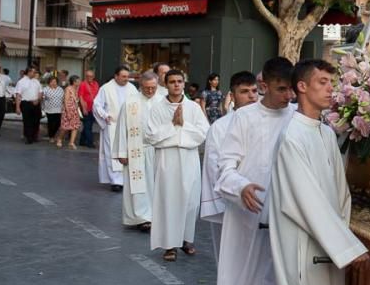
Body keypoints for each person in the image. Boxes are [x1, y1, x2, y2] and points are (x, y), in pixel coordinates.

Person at [267, 59, 369, 285]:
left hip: (330, 244)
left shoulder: (325, 133)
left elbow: (340, 194)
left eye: (331, 83)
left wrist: (342, 234)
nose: (330, 90)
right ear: (301, 87)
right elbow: (303, 199)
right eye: (322, 82)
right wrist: (345, 246)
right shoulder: (291, 137)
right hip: (304, 245)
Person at [208, 63, 293, 285]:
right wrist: (241, 186)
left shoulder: (297, 117)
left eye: (291, 88)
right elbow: (225, 167)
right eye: (282, 88)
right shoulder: (243, 118)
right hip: (246, 216)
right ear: (264, 86)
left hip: (284, 217)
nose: (288, 95)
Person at [201, 69, 266, 260]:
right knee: (230, 259)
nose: (251, 96)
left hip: (262, 202)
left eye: (254, 91)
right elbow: (215, 168)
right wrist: (236, 193)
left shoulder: (266, 122)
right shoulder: (220, 127)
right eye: (244, 92)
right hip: (231, 204)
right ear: (232, 95)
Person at [146, 69, 208, 261]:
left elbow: (203, 133)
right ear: (166, 84)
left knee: (190, 201)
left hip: (188, 159)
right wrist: (173, 125)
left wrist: (183, 125)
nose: (176, 85)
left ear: (184, 83)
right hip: (167, 160)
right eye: (172, 81)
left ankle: (185, 238)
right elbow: (150, 136)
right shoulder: (157, 108)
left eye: (179, 81)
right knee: (169, 201)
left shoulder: (194, 108)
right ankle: (169, 244)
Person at [113, 72, 162, 231]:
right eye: (147, 88)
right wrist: (122, 152)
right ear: (141, 86)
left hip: (158, 150)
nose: (150, 91)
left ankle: (157, 215)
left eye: (153, 88)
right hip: (136, 149)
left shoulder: (163, 101)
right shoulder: (130, 102)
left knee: (156, 184)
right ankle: (141, 217)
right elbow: (121, 128)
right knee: (138, 186)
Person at [93, 67, 137, 192]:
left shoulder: (132, 88)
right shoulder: (106, 88)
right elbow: (97, 105)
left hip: (129, 124)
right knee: (112, 152)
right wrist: (105, 116)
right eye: (123, 76)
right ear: (116, 76)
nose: (126, 79)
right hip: (112, 124)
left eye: (127, 76)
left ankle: (125, 179)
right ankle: (115, 181)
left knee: (127, 151)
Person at [14, 66, 43, 144]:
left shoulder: (36, 81)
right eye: (33, 72)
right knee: (27, 121)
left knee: (36, 120)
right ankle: (28, 137)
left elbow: (40, 92)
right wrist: (17, 107)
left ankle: (34, 136)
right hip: (26, 103)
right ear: (29, 72)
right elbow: (18, 95)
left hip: (36, 103)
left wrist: (38, 99)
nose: (35, 73)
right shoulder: (21, 82)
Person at [56, 75, 81, 149]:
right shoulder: (68, 89)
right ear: (74, 82)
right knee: (65, 127)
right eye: (78, 81)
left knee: (75, 126)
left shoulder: (77, 89)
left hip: (75, 110)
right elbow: (66, 101)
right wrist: (68, 112)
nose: (80, 82)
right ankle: (59, 139)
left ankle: (71, 142)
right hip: (68, 110)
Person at [77, 69, 99, 148]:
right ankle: (90, 143)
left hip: (94, 108)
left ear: (94, 76)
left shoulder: (96, 84)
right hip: (86, 108)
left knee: (88, 125)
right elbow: (80, 97)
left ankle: (82, 141)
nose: (89, 77)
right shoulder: (83, 84)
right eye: (87, 76)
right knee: (87, 125)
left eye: (91, 76)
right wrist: (84, 108)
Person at [41, 75, 64, 143]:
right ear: (49, 82)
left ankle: (53, 134)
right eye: (52, 82)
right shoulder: (45, 89)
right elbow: (42, 97)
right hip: (49, 109)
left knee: (58, 123)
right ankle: (51, 137)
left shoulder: (60, 89)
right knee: (51, 123)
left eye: (55, 82)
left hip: (59, 109)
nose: (53, 83)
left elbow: (63, 98)